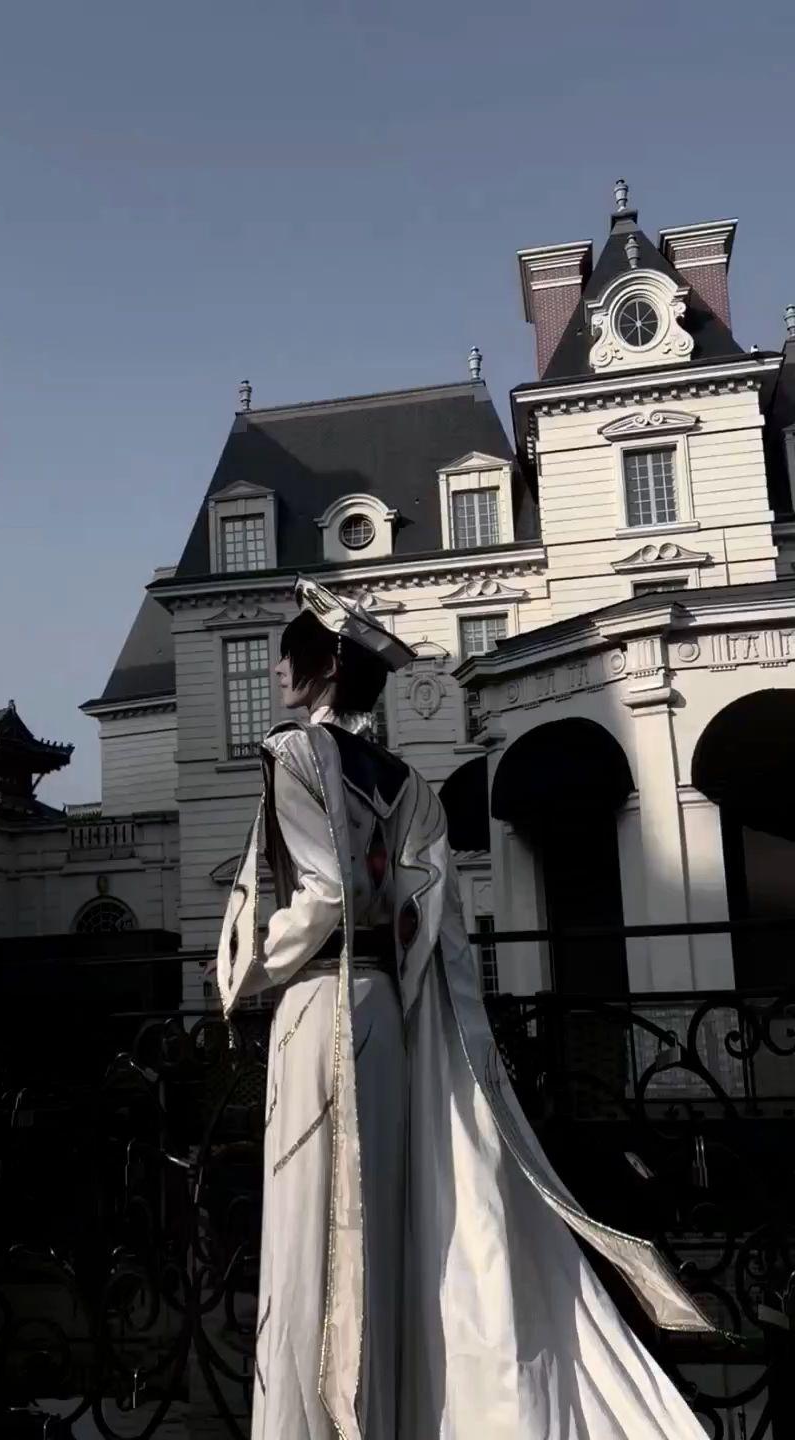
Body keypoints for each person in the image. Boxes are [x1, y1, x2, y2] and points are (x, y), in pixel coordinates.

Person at [216, 576, 714, 1440]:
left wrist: (249, 969)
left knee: (313, 1227)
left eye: (289, 657)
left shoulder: (295, 752)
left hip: (320, 1006)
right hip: (386, 1016)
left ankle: (315, 1423)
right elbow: (426, 924)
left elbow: (326, 891)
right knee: (379, 1223)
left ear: (325, 666)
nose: (278, 673)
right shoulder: (408, 782)